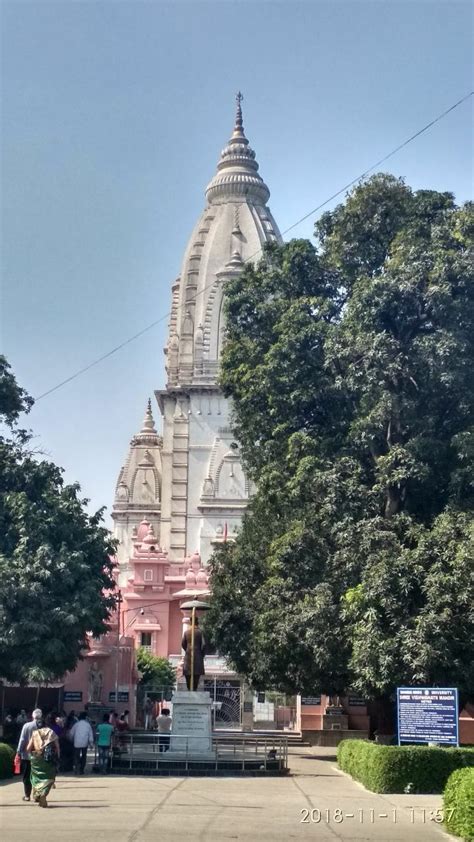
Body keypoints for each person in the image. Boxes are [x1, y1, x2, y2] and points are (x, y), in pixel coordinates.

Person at [26, 714, 59, 808]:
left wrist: (33, 755)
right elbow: (57, 747)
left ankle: (37, 796)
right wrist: (58, 757)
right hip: (48, 759)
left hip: (36, 759)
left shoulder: (35, 733)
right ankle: (43, 794)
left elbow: (28, 749)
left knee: (36, 779)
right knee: (49, 778)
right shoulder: (51, 732)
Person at [16, 708, 42, 802]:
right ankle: (37, 796)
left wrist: (18, 751)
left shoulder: (26, 726)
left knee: (27, 776)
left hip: (27, 755)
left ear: (32, 716)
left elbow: (22, 740)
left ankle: (27, 795)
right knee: (38, 776)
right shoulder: (43, 726)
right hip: (39, 755)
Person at [182, 615, 206, 691]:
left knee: (188, 676)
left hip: (188, 656)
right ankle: (194, 689)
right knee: (196, 676)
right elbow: (204, 644)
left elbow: (183, 644)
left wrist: (188, 650)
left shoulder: (186, 632)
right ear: (197, 622)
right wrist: (202, 654)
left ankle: (189, 689)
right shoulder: (200, 632)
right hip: (198, 656)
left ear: (190, 622)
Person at [69, 711, 94, 775]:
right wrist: (91, 743)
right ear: (86, 718)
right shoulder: (88, 725)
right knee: (84, 756)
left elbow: (71, 733)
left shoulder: (76, 724)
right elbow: (90, 735)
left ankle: (76, 768)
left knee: (76, 756)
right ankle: (81, 769)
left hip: (76, 743)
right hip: (84, 743)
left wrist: (71, 740)